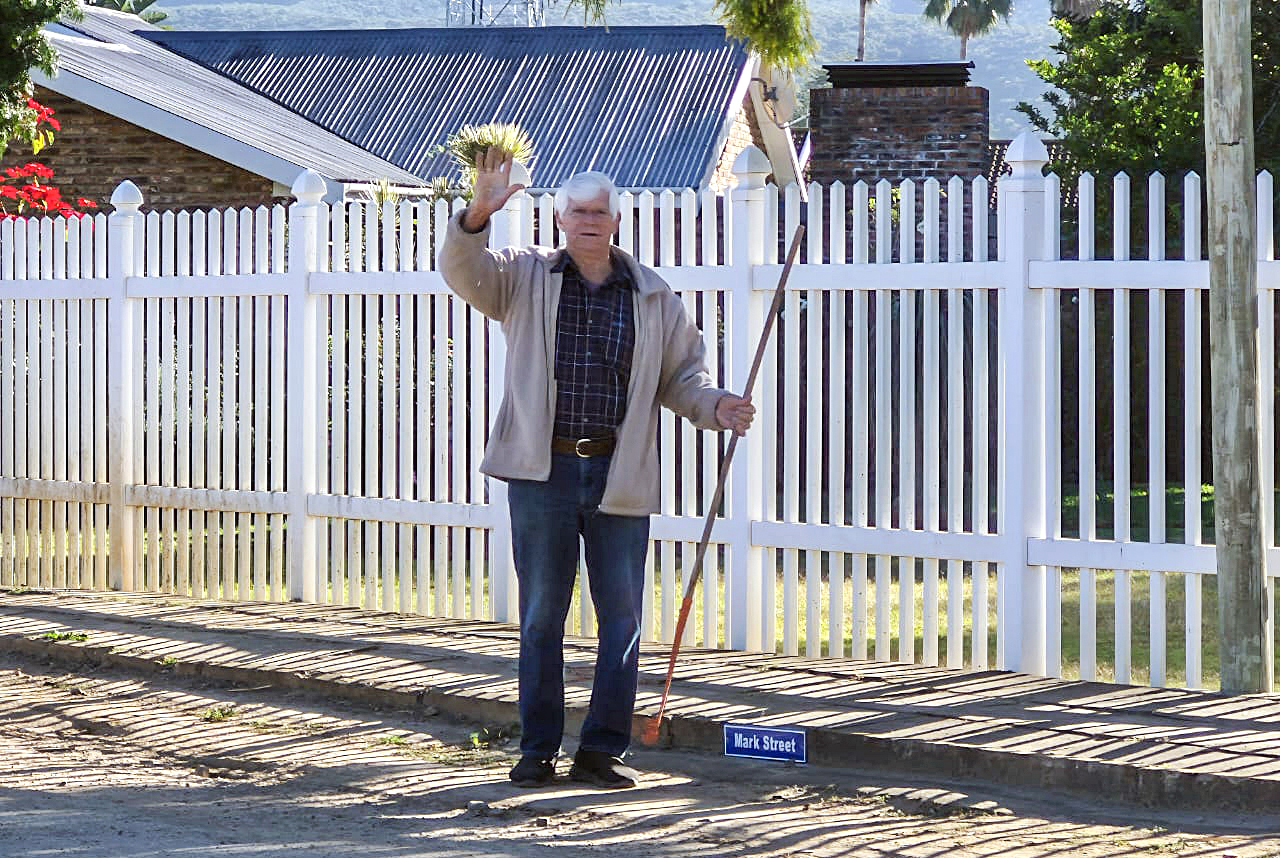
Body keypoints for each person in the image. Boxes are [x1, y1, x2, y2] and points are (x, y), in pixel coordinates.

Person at [440, 148, 755, 789]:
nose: (589, 221)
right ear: (560, 220)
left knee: (623, 620)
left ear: (615, 221)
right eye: (578, 212)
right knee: (541, 616)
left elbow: (682, 377)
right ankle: (537, 751)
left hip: (619, 473)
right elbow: (463, 272)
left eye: (599, 213)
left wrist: (715, 405)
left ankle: (602, 752)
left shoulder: (652, 295)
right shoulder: (522, 276)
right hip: (542, 474)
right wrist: (477, 214)